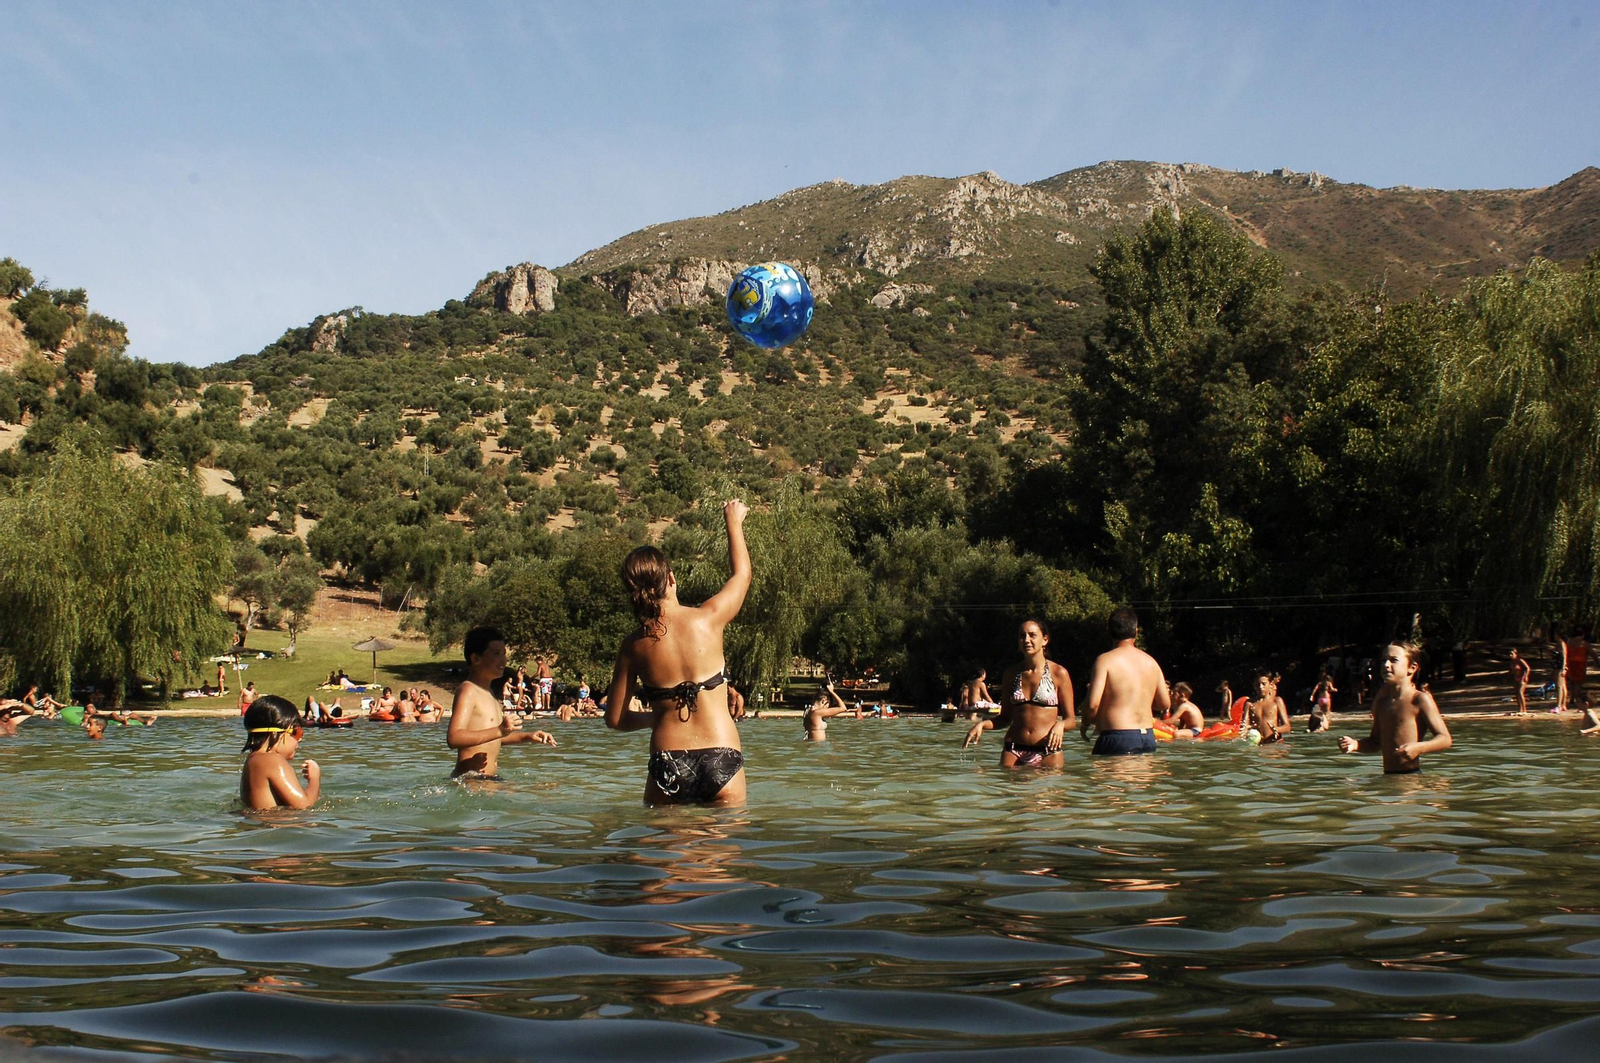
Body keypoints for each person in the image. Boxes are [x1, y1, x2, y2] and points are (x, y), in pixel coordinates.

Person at [606, 500, 750, 805]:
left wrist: (654, 718)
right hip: (721, 753)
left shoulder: (633, 645)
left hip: (668, 760)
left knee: (664, 837)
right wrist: (733, 522)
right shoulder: (709, 618)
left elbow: (615, 719)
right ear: (671, 579)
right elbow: (742, 576)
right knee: (726, 837)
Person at [447, 626, 556, 780]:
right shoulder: (468, 690)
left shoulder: (490, 694)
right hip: (471, 780)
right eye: (496, 654)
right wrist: (499, 730)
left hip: (485, 779)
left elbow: (492, 739)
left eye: (504, 654)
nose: (504, 660)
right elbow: (454, 737)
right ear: (476, 658)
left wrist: (527, 737)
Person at [963, 619, 1075, 766]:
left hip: (1048, 751)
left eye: (1032, 635)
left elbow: (1071, 720)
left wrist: (1060, 725)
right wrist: (982, 725)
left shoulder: (1059, 673)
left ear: (1045, 640)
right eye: (1022, 636)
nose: (1026, 640)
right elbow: (1005, 718)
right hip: (1013, 750)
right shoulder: (1011, 674)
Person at [1338, 642, 1453, 773]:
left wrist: (1418, 748)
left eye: (1394, 660)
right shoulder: (1382, 703)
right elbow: (1375, 742)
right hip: (1388, 777)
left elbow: (1445, 739)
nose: (1386, 665)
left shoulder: (1419, 699)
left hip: (1411, 777)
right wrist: (1355, 744)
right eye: (1383, 660)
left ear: (1412, 668)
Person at [1079, 606, 1167, 755]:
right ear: (1136, 631)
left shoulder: (1105, 660)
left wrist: (1085, 723)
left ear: (1109, 631)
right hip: (1147, 737)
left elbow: (1093, 704)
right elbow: (1164, 704)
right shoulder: (1151, 662)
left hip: (1118, 736)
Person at [240, 694, 319, 809]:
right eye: (296, 732)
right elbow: (304, 805)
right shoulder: (272, 760)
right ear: (275, 733)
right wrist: (314, 779)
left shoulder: (253, 759)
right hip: (276, 820)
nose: (300, 739)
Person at [1244, 673, 1291, 744]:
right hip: (1258, 744)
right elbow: (1244, 725)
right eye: (1257, 685)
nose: (1260, 687)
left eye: (1264, 684)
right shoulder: (1249, 703)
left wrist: (1277, 729)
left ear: (1270, 684)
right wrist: (1246, 729)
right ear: (1254, 686)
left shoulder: (1276, 701)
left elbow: (1287, 727)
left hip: (1275, 744)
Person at [1509, 648, 1531, 715]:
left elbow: (1527, 668)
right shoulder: (1512, 662)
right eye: (1509, 654)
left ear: (1516, 654)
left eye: (1512, 654)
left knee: (1520, 692)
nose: (1510, 655)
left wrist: (1526, 676)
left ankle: (1524, 709)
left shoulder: (1520, 660)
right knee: (1517, 694)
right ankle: (1520, 709)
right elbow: (1511, 670)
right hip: (1516, 678)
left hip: (1522, 678)